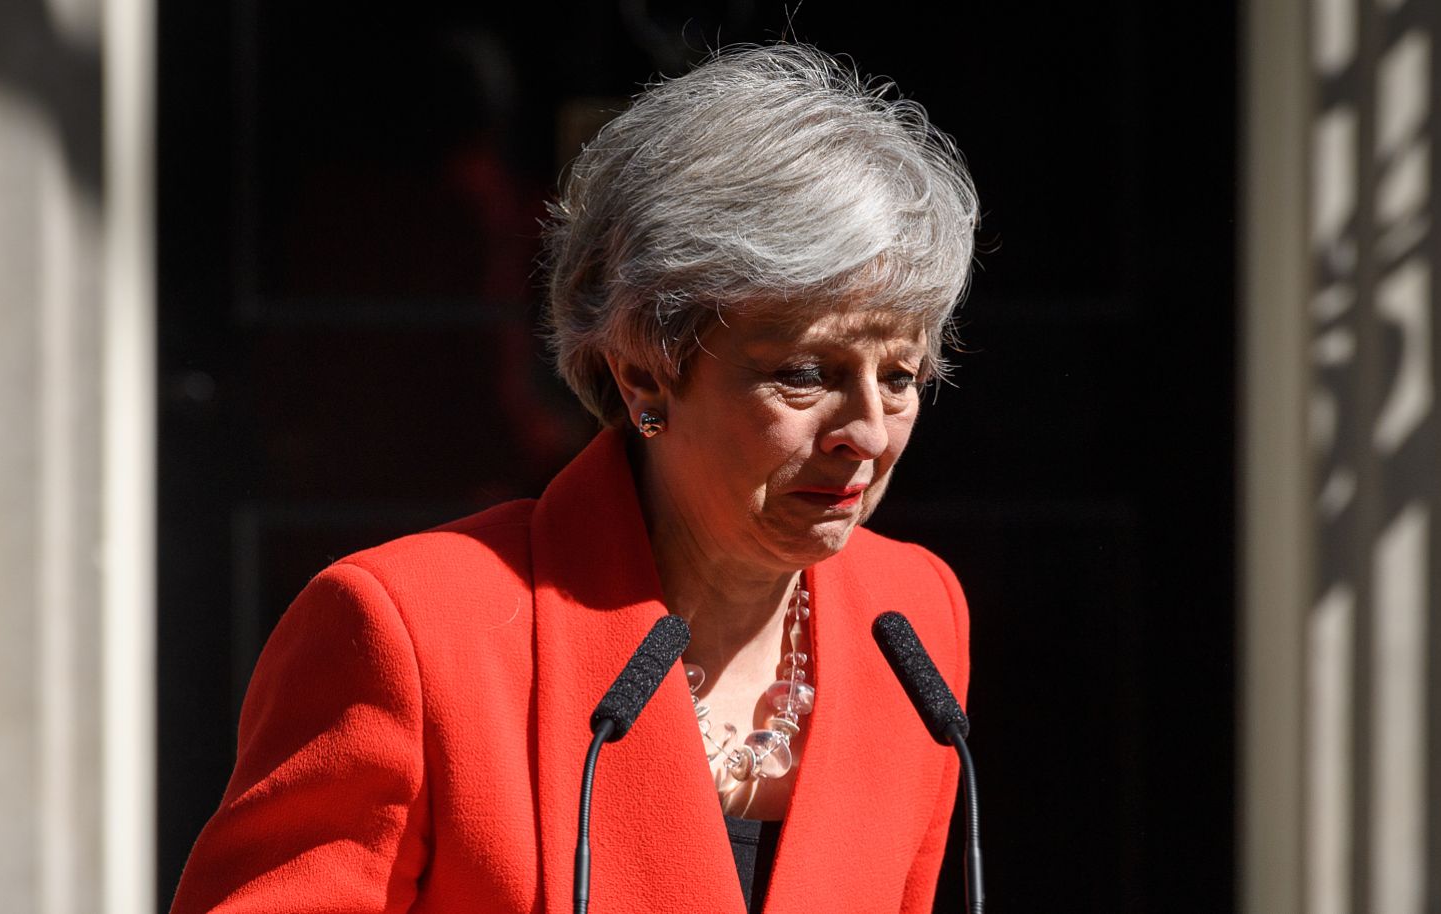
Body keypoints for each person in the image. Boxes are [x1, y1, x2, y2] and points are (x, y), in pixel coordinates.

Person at [168, 43, 979, 914]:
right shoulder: (409, 633)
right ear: (645, 372)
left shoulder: (914, 616)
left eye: (900, 377)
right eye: (807, 373)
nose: (865, 432)